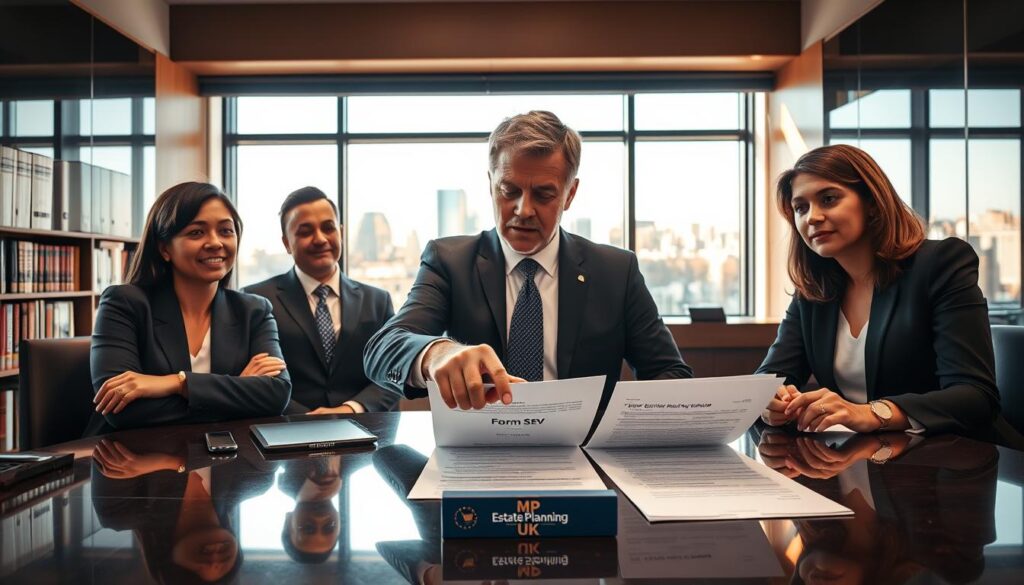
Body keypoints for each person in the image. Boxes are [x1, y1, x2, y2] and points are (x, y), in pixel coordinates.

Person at [364, 110, 691, 411]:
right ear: (491, 185)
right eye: (509, 190)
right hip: (479, 456)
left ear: (570, 194)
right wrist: (437, 354)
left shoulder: (616, 271)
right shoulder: (450, 261)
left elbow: (669, 372)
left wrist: (623, 423)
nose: (523, 210)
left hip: (586, 455)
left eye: (544, 195)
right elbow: (382, 349)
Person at [757, 144, 999, 435]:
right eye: (801, 208)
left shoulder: (941, 265)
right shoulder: (812, 292)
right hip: (860, 460)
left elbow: (975, 396)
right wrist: (771, 402)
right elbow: (771, 379)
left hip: (954, 462)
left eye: (829, 199)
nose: (812, 217)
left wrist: (872, 413)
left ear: (871, 203)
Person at [86, 182, 291, 434]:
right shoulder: (124, 303)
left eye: (226, 231)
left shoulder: (254, 310)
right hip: (136, 462)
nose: (215, 242)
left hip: (226, 464)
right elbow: (123, 410)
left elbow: (276, 396)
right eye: (196, 233)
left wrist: (176, 383)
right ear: (165, 249)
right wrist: (239, 388)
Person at [244, 186, 397, 415]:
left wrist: (349, 409)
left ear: (341, 233)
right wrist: (305, 418)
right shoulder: (256, 300)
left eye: (328, 228)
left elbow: (393, 371)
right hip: (286, 431)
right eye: (305, 232)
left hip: (365, 430)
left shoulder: (377, 301)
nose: (320, 239)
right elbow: (258, 377)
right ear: (287, 243)